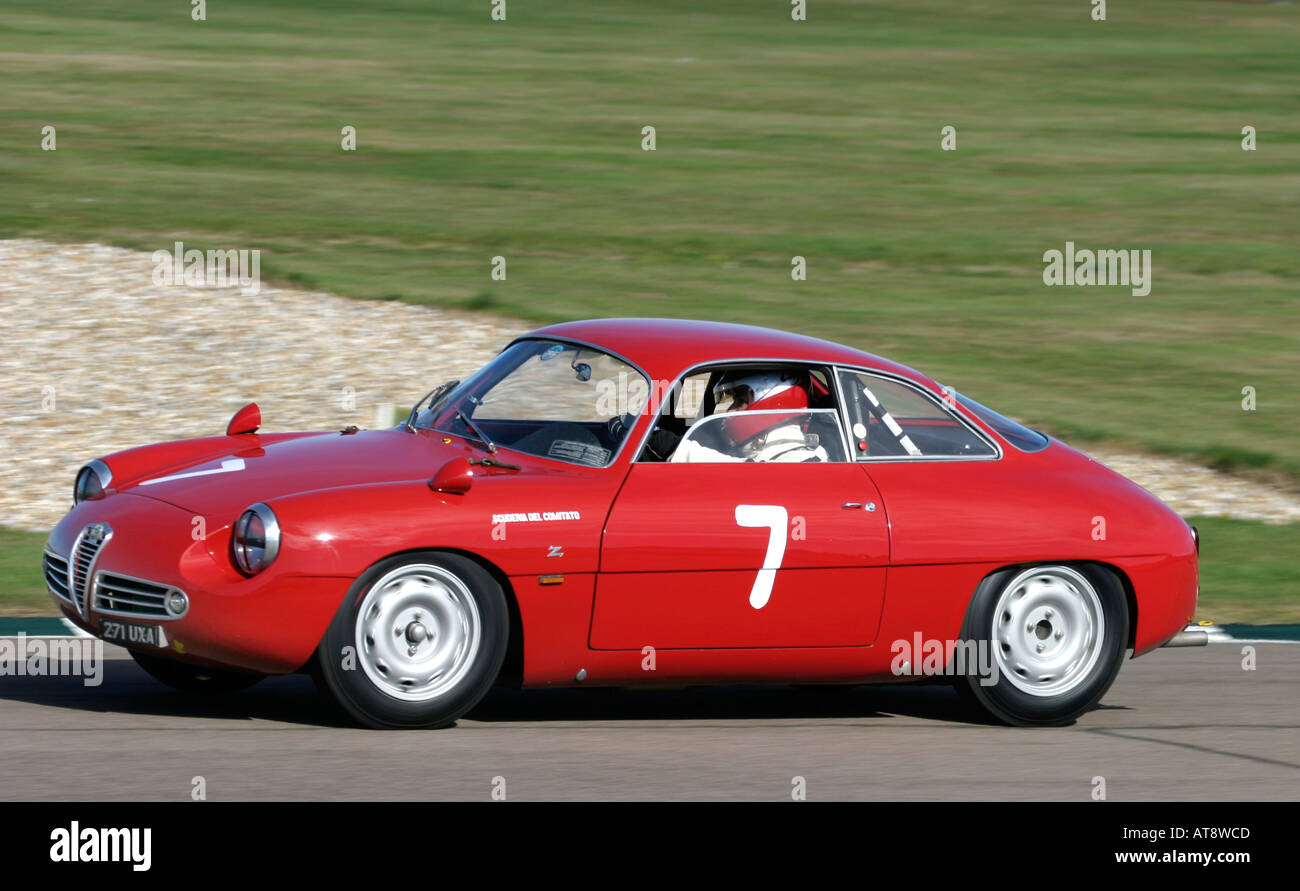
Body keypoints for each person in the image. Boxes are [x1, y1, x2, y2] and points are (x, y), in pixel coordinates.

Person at [670, 369, 828, 463]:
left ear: (772, 403)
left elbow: (755, 473)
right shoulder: (759, 454)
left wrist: (678, 449)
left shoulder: (806, 460)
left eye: (740, 401)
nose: (729, 411)